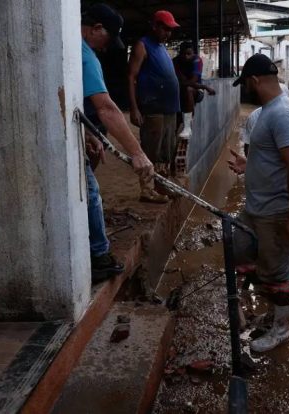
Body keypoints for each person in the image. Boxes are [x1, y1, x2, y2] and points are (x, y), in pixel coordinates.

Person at [227, 54, 289, 353]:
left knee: (278, 272)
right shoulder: (267, 113)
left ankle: (282, 329)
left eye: (245, 85)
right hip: (255, 209)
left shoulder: (282, 114)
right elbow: (275, 159)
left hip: (275, 212)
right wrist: (249, 164)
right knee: (240, 251)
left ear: (254, 81)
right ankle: (273, 313)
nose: (245, 90)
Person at [80, 4, 161, 282]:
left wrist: (89, 134)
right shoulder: (85, 56)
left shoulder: (73, 50)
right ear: (96, 29)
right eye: (107, 37)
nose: (107, 45)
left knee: (87, 191)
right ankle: (98, 257)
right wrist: (137, 153)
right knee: (89, 193)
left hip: (76, 135)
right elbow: (106, 109)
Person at [238, 80, 289, 268]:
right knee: (268, 214)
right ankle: (268, 253)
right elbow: (250, 148)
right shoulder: (255, 118)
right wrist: (253, 166)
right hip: (269, 177)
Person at [128, 10, 181, 177]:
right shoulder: (143, 45)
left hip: (169, 108)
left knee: (166, 149)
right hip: (153, 108)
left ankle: (160, 184)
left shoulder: (162, 47)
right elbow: (131, 77)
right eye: (165, 29)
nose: (168, 33)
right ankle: (147, 189)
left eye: (170, 30)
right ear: (155, 26)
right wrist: (134, 108)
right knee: (151, 150)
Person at [173, 42, 216, 139]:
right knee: (176, 119)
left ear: (193, 53)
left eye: (189, 54)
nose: (186, 57)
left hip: (196, 91)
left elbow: (193, 81)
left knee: (188, 89)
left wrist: (202, 87)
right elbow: (178, 81)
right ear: (180, 53)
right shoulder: (175, 61)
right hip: (179, 91)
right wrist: (206, 87)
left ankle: (187, 127)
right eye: (184, 54)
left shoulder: (197, 60)